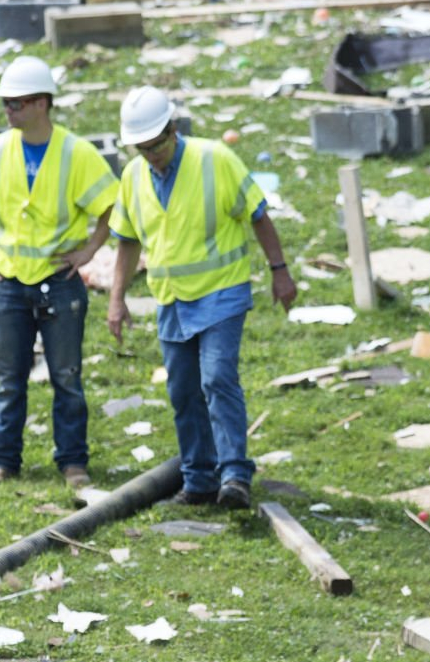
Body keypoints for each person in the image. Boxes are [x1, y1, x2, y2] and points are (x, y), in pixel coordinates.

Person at [106, 87, 297, 510]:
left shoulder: (214, 159)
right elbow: (127, 242)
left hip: (221, 291)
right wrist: (116, 299)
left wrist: (279, 271)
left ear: (173, 130)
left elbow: (258, 214)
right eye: (142, 148)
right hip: (171, 298)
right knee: (183, 390)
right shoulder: (133, 176)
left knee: (217, 378)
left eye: (156, 145)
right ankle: (198, 480)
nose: (151, 155)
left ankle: (234, 475)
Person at [0, 56, 118, 489]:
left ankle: (73, 462)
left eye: (15, 103)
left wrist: (88, 251)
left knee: (66, 377)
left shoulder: (76, 153)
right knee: (9, 378)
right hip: (10, 281)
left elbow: (111, 206)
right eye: (6, 104)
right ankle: (4, 462)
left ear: (40, 104)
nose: (8, 111)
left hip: (59, 282)